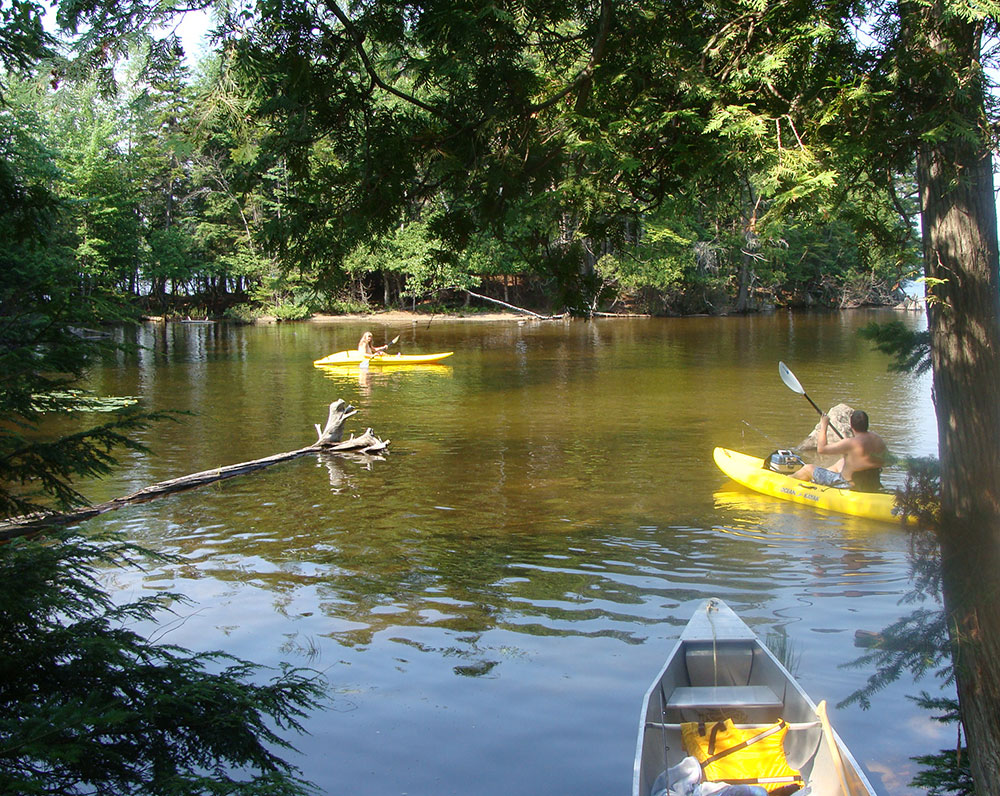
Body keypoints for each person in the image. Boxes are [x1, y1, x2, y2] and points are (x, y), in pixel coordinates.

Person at [792, 410, 887, 492]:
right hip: (871, 483)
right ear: (867, 424)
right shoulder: (878, 439)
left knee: (808, 468)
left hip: (846, 484)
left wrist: (824, 425)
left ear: (851, 426)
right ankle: (820, 479)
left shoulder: (851, 443)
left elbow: (821, 449)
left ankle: (787, 480)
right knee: (841, 462)